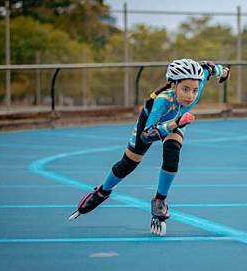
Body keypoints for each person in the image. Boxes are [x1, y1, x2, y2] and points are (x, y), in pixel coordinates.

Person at [69, 59, 230, 236]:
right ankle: (102, 191)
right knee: (128, 164)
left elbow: (208, 68)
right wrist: (175, 123)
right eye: (185, 89)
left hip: (177, 121)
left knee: (172, 154)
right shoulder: (162, 101)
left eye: (194, 90)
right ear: (173, 84)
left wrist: (223, 72)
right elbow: (147, 135)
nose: (191, 96)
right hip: (152, 125)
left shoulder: (198, 81)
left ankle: (159, 200)